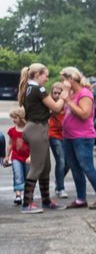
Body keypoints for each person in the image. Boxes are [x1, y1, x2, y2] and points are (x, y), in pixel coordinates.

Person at [16, 62, 67, 211]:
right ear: (38, 75)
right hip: (37, 129)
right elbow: (57, 108)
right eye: (46, 75)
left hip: (37, 127)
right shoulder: (39, 89)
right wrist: (64, 96)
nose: (47, 78)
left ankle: (46, 201)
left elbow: (44, 111)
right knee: (37, 167)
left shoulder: (29, 88)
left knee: (46, 167)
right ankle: (27, 204)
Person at [60, 67, 96, 209]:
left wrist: (68, 101)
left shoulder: (84, 94)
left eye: (63, 79)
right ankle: (81, 198)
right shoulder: (71, 93)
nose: (62, 82)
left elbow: (84, 114)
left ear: (70, 79)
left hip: (83, 137)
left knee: (87, 167)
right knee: (75, 168)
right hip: (69, 136)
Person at [48, 81, 69, 198]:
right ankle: (60, 188)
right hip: (54, 135)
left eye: (58, 93)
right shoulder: (50, 104)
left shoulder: (67, 104)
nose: (56, 95)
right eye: (54, 93)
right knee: (60, 161)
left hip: (67, 136)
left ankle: (58, 180)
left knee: (69, 163)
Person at [5, 107, 30, 206]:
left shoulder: (28, 130)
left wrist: (31, 156)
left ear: (21, 117)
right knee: (17, 175)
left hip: (28, 158)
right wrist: (7, 156)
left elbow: (33, 144)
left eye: (15, 117)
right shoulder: (12, 130)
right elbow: (10, 144)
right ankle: (18, 195)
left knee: (28, 176)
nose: (13, 120)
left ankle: (27, 195)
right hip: (16, 157)